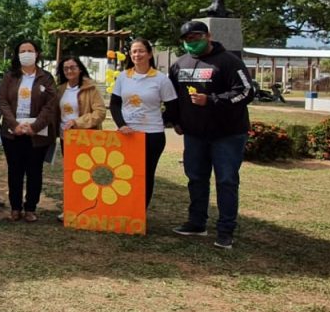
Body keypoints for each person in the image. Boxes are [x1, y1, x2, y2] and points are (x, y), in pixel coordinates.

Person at [168, 20, 253, 250]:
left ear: (208, 36)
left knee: (226, 181)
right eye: (187, 40)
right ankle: (197, 223)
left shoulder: (229, 61)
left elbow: (246, 91)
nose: (191, 43)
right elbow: (173, 96)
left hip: (227, 134)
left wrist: (213, 100)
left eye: (196, 38)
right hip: (194, 135)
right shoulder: (179, 65)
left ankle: (225, 230)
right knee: (195, 178)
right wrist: (175, 120)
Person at [108, 40, 176, 209]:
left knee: (145, 175)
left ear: (150, 54)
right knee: (124, 173)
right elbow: (114, 104)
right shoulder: (123, 77)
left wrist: (160, 121)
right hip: (126, 134)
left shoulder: (161, 79)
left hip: (152, 135)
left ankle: (139, 212)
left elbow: (173, 106)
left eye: (141, 51)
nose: (137, 55)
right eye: (134, 52)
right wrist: (121, 124)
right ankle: (124, 208)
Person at [0, 39, 57, 223]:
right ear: (17, 54)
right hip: (12, 133)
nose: (26, 53)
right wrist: (14, 124)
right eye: (22, 50)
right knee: (15, 171)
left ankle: (30, 208)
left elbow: (50, 104)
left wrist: (35, 126)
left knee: (34, 172)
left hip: (37, 135)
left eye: (29, 50)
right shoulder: (10, 76)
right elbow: (3, 102)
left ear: (37, 53)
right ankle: (15, 208)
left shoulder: (46, 77)